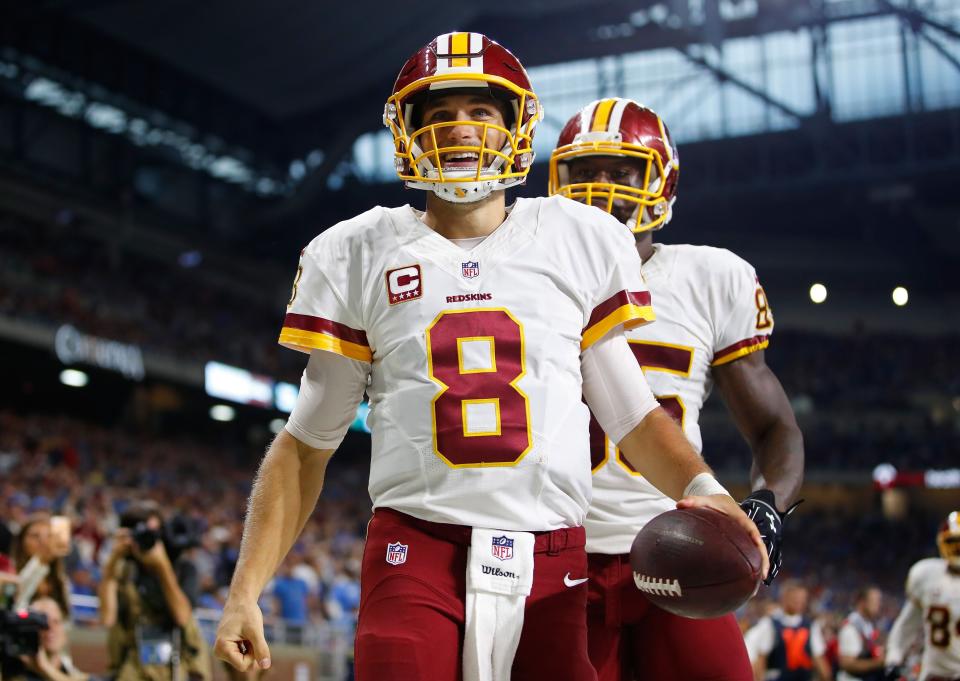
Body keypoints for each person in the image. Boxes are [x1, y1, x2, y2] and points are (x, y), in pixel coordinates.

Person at [213, 33, 767, 681]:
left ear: (517, 126)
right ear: (407, 130)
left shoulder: (578, 237)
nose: (460, 128)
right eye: (439, 112)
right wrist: (243, 592)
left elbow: (634, 416)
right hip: (415, 546)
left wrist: (706, 492)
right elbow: (307, 443)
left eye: (481, 111)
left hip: (555, 558)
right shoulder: (355, 251)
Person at [548, 97, 803, 681]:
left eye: (621, 170)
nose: (602, 187)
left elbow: (773, 427)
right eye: (585, 171)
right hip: (557, 549)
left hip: (681, 541)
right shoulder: (528, 276)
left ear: (660, 180)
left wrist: (765, 507)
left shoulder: (712, 277)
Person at [98, 502, 211, 681]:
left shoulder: (183, 568)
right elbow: (107, 618)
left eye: (153, 534)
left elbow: (182, 617)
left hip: (178, 657)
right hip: (136, 660)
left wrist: (162, 566)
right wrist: (114, 558)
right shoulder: (125, 570)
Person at [884, 511, 960, 681]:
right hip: (933, 676)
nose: (958, 550)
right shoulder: (927, 576)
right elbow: (907, 624)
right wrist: (894, 657)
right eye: (954, 544)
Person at [745, 580, 831, 680]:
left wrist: (826, 677)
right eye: (795, 598)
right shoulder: (770, 624)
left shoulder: (810, 625)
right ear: (784, 597)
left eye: (802, 598)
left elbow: (819, 658)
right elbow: (761, 659)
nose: (799, 602)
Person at [8, 597, 89, 681]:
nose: (50, 628)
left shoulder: (72, 672)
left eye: (56, 622)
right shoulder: (14, 673)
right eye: (43, 623)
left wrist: (45, 668)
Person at [11, 515, 71, 619]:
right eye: (35, 536)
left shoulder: (60, 577)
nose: (43, 541)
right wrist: (40, 560)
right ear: (22, 541)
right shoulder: (8, 569)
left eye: (49, 536)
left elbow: (66, 616)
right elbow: (16, 603)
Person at [837, 586, 885, 681]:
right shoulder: (851, 627)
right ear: (862, 602)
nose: (879, 604)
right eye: (875, 601)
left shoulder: (867, 624)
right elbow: (847, 664)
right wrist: (879, 663)